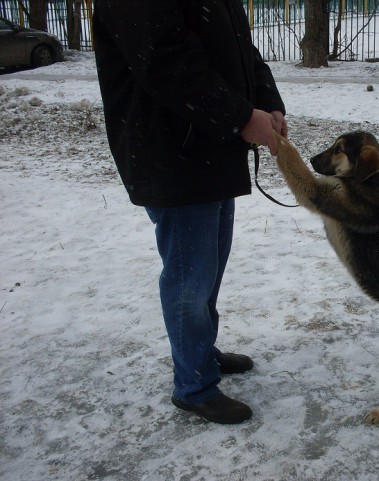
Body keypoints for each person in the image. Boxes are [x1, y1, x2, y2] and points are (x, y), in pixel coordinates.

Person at [93, 0, 287, 424]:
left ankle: (200, 352)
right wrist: (239, 117)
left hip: (210, 147)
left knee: (208, 268)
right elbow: (166, 61)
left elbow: (240, 49)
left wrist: (268, 102)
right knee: (189, 277)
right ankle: (194, 384)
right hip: (171, 153)